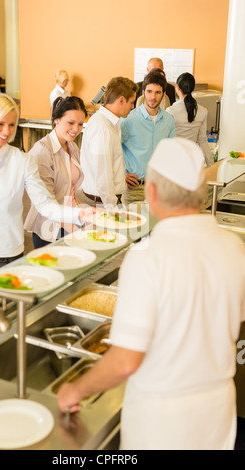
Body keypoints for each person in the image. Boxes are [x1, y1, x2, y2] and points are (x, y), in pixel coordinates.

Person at [57, 137, 245, 450]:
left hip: (164, 420)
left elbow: (125, 361)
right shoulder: (234, 248)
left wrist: (76, 390)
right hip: (217, 411)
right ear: (200, 193)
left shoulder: (148, 257)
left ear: (152, 192)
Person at [0, 93, 94, 296]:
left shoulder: (23, 162)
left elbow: (45, 204)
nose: (7, 131)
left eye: (12, 125)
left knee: (8, 320)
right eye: (0, 123)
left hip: (8, 256)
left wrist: (79, 215)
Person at [24, 96, 86, 248]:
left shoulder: (72, 147)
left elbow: (70, 191)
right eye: (70, 123)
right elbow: (47, 204)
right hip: (50, 228)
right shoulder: (42, 151)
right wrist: (80, 231)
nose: (76, 129)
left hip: (71, 221)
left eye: (80, 124)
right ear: (56, 120)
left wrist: (82, 220)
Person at [78, 77, 138, 209]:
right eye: (132, 102)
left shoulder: (109, 122)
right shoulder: (103, 129)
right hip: (101, 202)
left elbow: (107, 163)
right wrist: (113, 210)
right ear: (121, 100)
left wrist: (120, 175)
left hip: (103, 199)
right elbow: (102, 177)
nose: (133, 107)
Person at [121, 71, 175, 205]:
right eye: (149, 91)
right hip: (134, 189)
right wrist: (122, 174)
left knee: (156, 226)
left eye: (158, 92)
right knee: (132, 226)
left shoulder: (169, 120)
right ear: (143, 92)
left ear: (163, 95)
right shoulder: (129, 118)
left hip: (159, 189)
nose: (153, 97)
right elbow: (114, 150)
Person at [166, 72, 214, 167]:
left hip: (174, 160)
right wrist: (211, 166)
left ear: (177, 88)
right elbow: (202, 141)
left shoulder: (171, 111)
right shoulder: (203, 111)